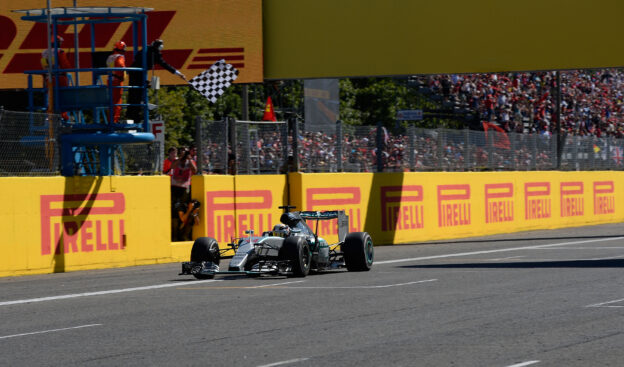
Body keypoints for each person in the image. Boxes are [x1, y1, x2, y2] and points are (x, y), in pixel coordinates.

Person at [127, 39, 187, 122]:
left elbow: (136, 57)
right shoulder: (155, 54)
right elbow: (165, 65)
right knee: (137, 94)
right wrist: (179, 74)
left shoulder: (147, 49)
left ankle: (131, 114)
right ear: (159, 46)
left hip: (134, 72)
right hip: (138, 73)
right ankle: (134, 115)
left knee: (133, 93)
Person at [41, 35, 71, 120]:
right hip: (60, 78)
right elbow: (66, 66)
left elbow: (43, 66)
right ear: (58, 42)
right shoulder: (60, 51)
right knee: (63, 98)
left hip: (49, 78)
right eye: (60, 42)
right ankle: (63, 117)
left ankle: (50, 117)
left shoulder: (44, 52)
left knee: (51, 99)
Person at [106, 41, 127, 123]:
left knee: (111, 102)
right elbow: (121, 66)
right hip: (117, 81)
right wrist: (122, 73)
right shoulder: (120, 57)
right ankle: (114, 121)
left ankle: (110, 120)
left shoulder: (110, 57)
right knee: (117, 102)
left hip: (110, 80)